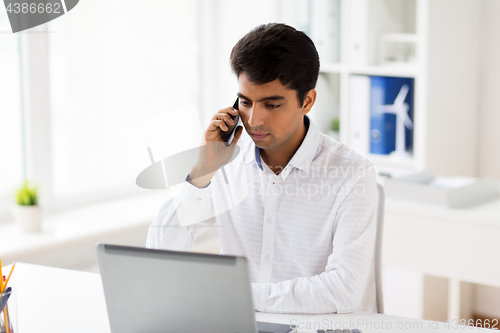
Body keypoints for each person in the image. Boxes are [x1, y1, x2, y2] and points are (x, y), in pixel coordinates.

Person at [146, 23, 379, 314]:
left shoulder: (352, 174)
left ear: (306, 101)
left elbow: (343, 292)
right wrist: (204, 170)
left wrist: (236, 295)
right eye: (245, 102)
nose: (254, 119)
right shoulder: (227, 162)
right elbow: (160, 251)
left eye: (271, 104)